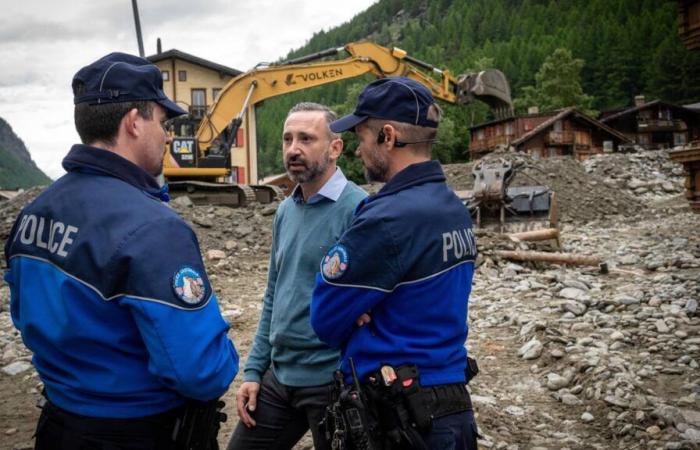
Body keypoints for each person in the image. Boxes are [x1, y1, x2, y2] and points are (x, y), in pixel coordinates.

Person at [4, 53, 239, 450]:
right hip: (137, 432)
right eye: (162, 123)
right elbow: (200, 371)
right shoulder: (154, 228)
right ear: (133, 122)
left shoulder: (35, 213)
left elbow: (24, 315)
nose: (166, 136)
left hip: (59, 424)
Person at [310, 77, 479, 449]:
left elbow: (324, 318)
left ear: (388, 136)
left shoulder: (386, 220)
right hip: (453, 410)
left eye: (362, 137)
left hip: (401, 422)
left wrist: (362, 308)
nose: (358, 151)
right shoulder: (453, 209)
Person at [226, 103, 367, 450]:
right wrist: (255, 371)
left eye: (306, 138)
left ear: (335, 148)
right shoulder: (286, 210)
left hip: (331, 380)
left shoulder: (359, 209)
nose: (293, 149)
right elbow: (274, 293)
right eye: (288, 139)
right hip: (280, 376)